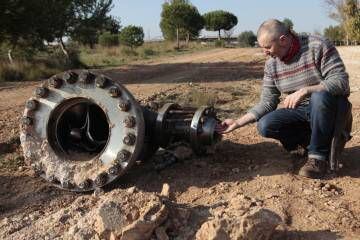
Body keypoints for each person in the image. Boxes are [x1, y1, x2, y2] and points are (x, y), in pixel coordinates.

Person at [217, 19, 351, 179]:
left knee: (319, 97)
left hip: (331, 108)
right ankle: (311, 144)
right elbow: (268, 102)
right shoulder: (271, 65)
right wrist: (238, 122)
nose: (265, 53)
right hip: (302, 111)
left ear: (283, 40)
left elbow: (341, 81)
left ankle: (318, 159)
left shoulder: (317, 45)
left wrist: (306, 90)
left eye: (267, 47)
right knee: (265, 125)